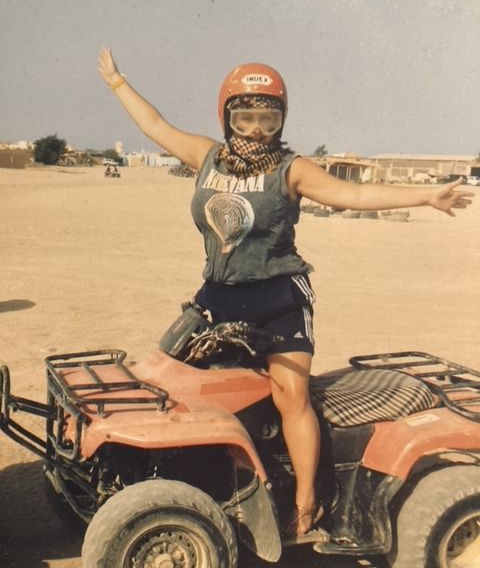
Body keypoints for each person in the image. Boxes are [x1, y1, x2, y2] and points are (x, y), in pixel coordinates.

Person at [97, 48, 473, 542]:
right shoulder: (206, 157)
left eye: (268, 118)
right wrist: (118, 83)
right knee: (182, 389)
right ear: (226, 116)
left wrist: (424, 195)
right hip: (218, 294)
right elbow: (156, 126)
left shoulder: (291, 169)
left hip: (278, 297)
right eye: (245, 116)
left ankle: (306, 501)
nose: (256, 128)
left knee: (291, 394)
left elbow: (354, 195)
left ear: (281, 121)